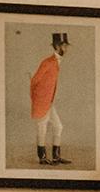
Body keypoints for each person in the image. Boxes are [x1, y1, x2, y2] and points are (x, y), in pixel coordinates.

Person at [30, 32, 71, 165]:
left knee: (58, 126)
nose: (66, 48)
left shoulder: (56, 61)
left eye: (66, 46)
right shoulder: (47, 62)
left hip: (49, 102)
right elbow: (34, 81)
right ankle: (42, 158)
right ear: (58, 46)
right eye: (64, 46)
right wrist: (37, 98)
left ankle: (56, 157)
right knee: (42, 128)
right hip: (42, 102)